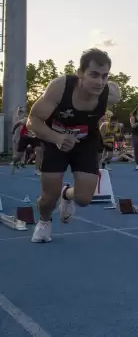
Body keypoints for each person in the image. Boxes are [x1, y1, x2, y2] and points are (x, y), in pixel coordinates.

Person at [26, 48, 121, 243]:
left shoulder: (111, 94)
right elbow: (32, 121)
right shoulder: (60, 87)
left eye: (104, 76)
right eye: (93, 75)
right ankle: (44, 222)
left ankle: (66, 195)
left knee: (84, 199)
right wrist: (57, 138)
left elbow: (113, 89)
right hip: (55, 141)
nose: (99, 82)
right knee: (48, 198)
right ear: (80, 73)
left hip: (85, 142)